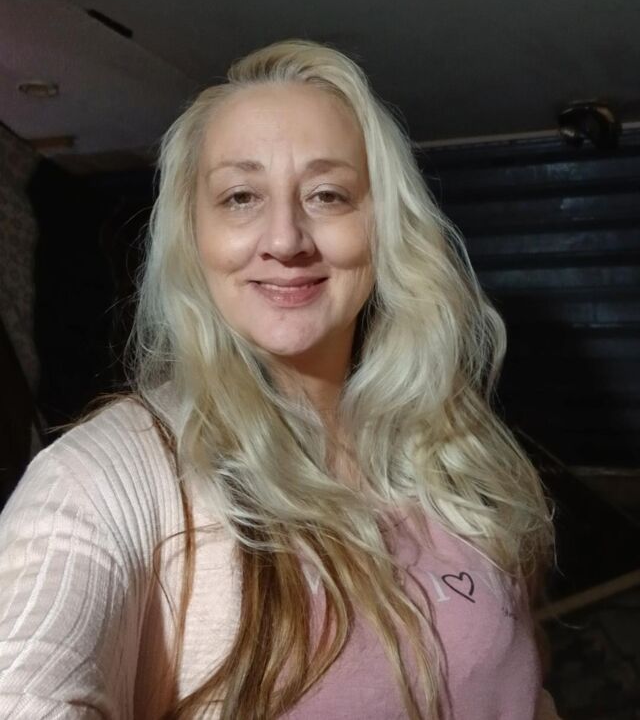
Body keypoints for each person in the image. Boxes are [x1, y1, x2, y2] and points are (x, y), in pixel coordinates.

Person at [0, 40, 561, 719]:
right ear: (193, 234)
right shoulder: (105, 477)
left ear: (382, 225)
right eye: (240, 197)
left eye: (328, 194)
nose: (286, 239)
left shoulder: (450, 441)